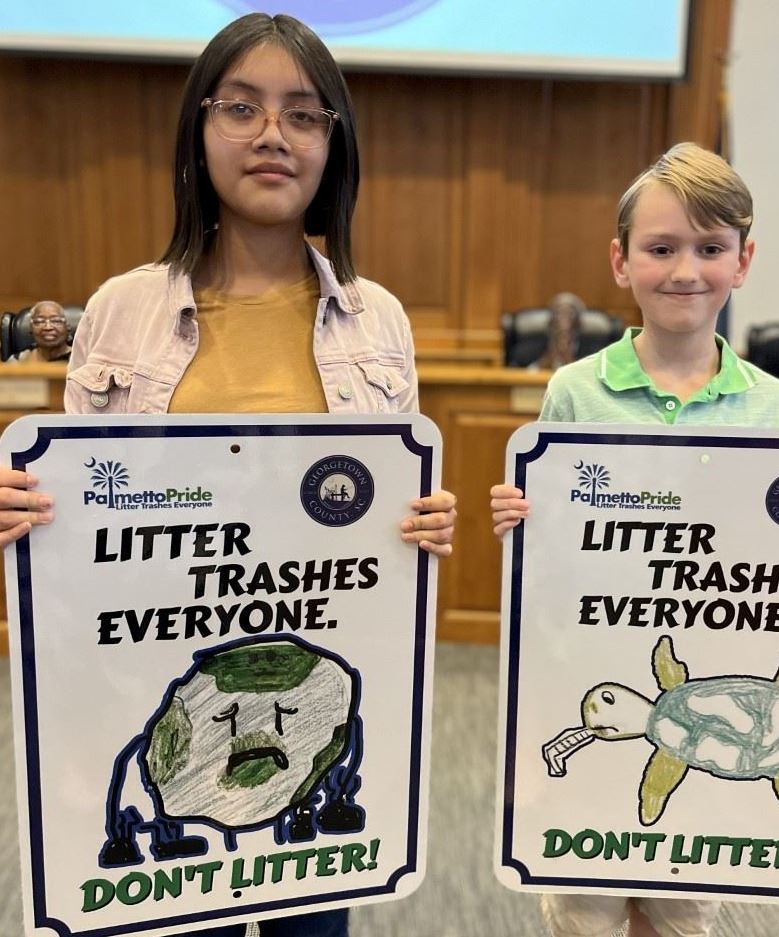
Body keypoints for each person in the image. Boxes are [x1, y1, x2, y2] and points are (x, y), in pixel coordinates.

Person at [0, 13, 456, 937]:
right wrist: (25, 512)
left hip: (312, 714)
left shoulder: (379, 321)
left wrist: (425, 526)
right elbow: (82, 521)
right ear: (197, 132)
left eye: (304, 114)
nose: (272, 136)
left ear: (335, 143)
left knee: (309, 925)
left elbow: (386, 524)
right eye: (240, 107)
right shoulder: (124, 310)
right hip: (164, 698)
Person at [490, 142, 779, 937]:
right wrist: (517, 522)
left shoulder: (771, 405)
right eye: (660, 248)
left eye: (709, 248)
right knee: (583, 908)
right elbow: (544, 559)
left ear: (743, 262)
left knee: (683, 908)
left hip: (728, 681)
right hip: (587, 658)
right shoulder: (572, 391)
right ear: (620, 262)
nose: (685, 270)